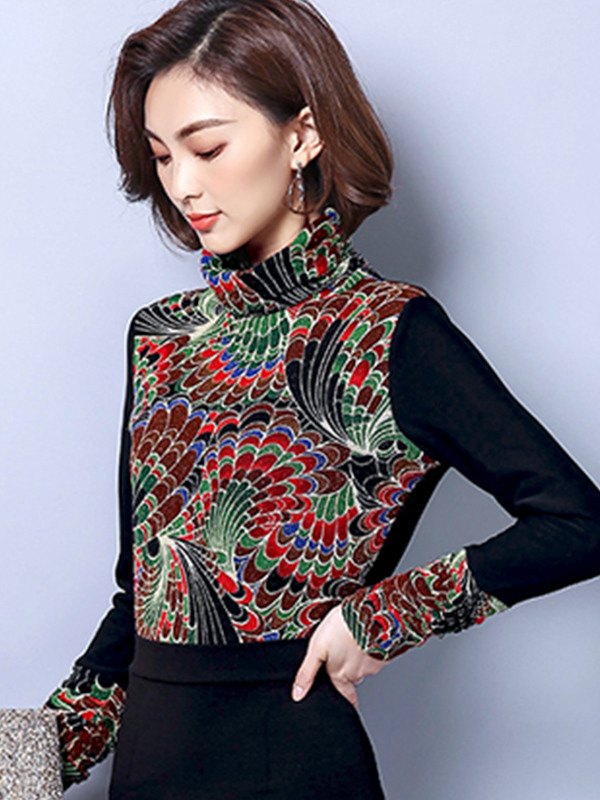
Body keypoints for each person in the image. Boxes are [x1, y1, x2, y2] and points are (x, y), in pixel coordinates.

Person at [43, 0, 600, 797]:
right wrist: (33, 758)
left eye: (208, 147)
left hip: (295, 765)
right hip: (148, 772)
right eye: (162, 156)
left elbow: (579, 523)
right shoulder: (161, 338)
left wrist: (379, 618)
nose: (183, 185)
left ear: (302, 135)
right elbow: (144, 596)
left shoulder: (388, 332)